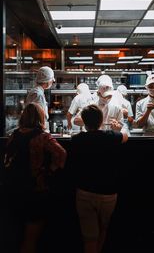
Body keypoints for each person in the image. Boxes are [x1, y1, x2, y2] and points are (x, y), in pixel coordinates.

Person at [3, 103, 67, 253]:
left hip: (14, 190)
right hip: (35, 190)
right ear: (40, 117)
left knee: (16, 234)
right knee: (31, 237)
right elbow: (61, 153)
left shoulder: (14, 135)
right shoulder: (43, 137)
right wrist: (50, 170)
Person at [71, 104, 128, 253]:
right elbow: (125, 136)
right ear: (102, 120)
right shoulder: (110, 137)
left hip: (85, 192)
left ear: (83, 121)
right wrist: (118, 129)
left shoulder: (77, 139)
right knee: (104, 228)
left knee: (89, 236)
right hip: (108, 192)